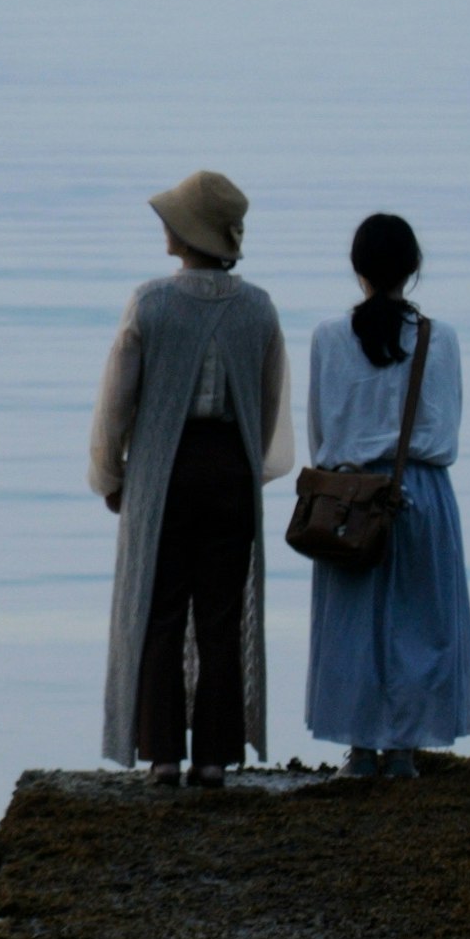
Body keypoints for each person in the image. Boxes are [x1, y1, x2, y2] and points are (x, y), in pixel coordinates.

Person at [90, 169, 291, 787]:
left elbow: (117, 403)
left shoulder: (150, 303)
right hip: (229, 469)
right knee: (221, 616)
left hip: (164, 473)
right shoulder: (256, 307)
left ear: (185, 232)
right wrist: (244, 471)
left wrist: (111, 475)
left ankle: (162, 756)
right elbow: (268, 401)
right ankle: (213, 757)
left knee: (159, 610)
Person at [301, 211, 470, 777]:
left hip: (350, 495)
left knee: (352, 625)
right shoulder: (441, 339)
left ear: (357, 269)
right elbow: (447, 428)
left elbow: (320, 434)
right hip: (420, 489)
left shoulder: (328, 337)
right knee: (421, 624)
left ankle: (359, 749)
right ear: (413, 270)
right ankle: (405, 748)